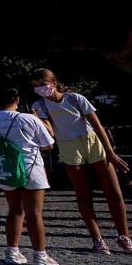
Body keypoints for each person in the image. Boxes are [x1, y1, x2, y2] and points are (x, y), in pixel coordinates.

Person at [30, 68, 131, 254]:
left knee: (113, 190)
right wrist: (38, 119)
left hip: (91, 141)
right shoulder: (40, 105)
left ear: (54, 83)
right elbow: (50, 133)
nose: (39, 89)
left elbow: (97, 125)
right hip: (68, 145)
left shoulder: (75, 98)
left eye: (42, 85)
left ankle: (124, 236)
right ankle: (97, 239)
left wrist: (111, 152)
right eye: (35, 86)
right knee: (83, 193)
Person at [0, 87, 59, 265]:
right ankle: (40, 256)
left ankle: (12, 251)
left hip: (5, 170)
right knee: (34, 213)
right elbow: (49, 144)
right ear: (17, 99)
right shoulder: (29, 118)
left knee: (15, 210)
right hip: (30, 167)